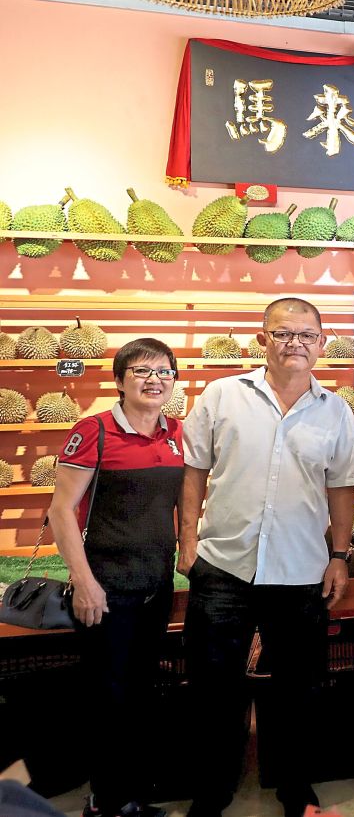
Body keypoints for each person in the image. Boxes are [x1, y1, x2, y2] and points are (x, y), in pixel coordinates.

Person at [179, 297, 354, 817]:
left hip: (301, 569)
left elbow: (342, 487)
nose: (294, 344)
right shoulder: (222, 395)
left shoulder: (335, 411)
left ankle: (294, 788)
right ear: (263, 339)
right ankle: (211, 791)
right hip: (224, 565)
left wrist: (339, 555)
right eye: (283, 333)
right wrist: (187, 543)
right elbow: (194, 470)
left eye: (306, 335)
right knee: (214, 687)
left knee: (298, 689)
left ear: (321, 343)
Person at [47, 338, 185, 817]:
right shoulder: (95, 431)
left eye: (164, 371)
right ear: (120, 380)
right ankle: (104, 802)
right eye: (142, 371)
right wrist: (84, 582)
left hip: (156, 585)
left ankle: (132, 795)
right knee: (109, 695)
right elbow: (61, 510)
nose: (154, 380)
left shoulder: (176, 433)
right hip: (106, 587)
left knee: (142, 691)